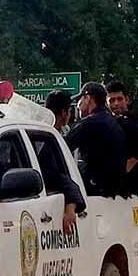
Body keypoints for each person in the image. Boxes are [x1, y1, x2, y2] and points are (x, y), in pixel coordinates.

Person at [66, 82, 127, 198]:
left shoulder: (88, 124)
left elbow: (61, 148)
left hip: (93, 191)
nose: (78, 105)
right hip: (114, 191)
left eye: (80, 100)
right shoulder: (114, 122)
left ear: (88, 98)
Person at [37, 91, 85, 233]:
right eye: (69, 111)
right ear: (64, 113)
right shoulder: (47, 141)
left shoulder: (42, 135)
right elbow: (56, 176)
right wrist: (71, 205)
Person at [106, 80, 138, 197]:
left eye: (119, 99)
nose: (116, 104)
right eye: (112, 100)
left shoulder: (132, 120)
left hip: (134, 182)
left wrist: (133, 161)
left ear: (127, 100)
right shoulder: (107, 122)